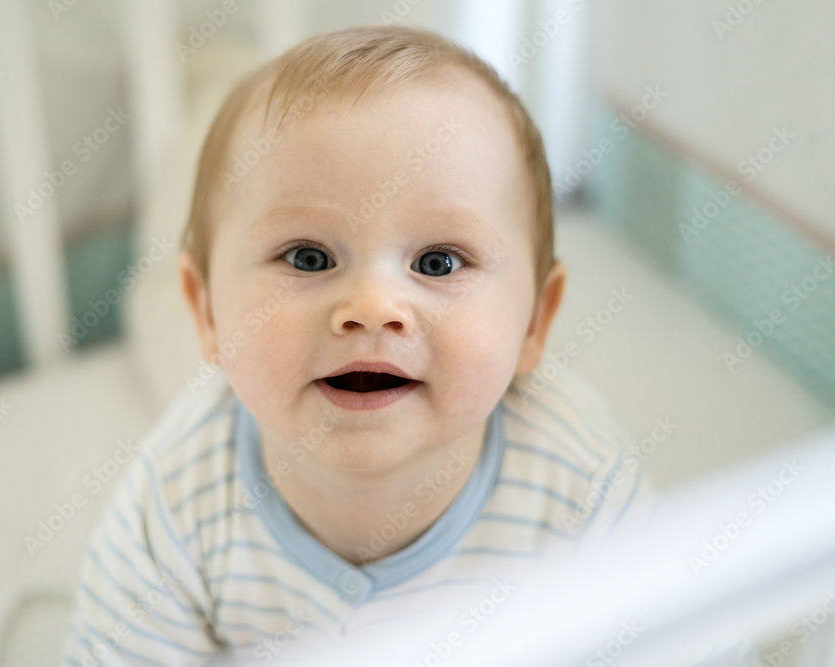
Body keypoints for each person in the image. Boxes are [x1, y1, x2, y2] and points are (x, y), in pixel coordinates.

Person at [60, 24, 661, 666]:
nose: (372, 309)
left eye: (437, 263)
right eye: (309, 256)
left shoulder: (577, 479)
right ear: (206, 310)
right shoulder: (178, 500)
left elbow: (689, 635)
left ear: (536, 322)